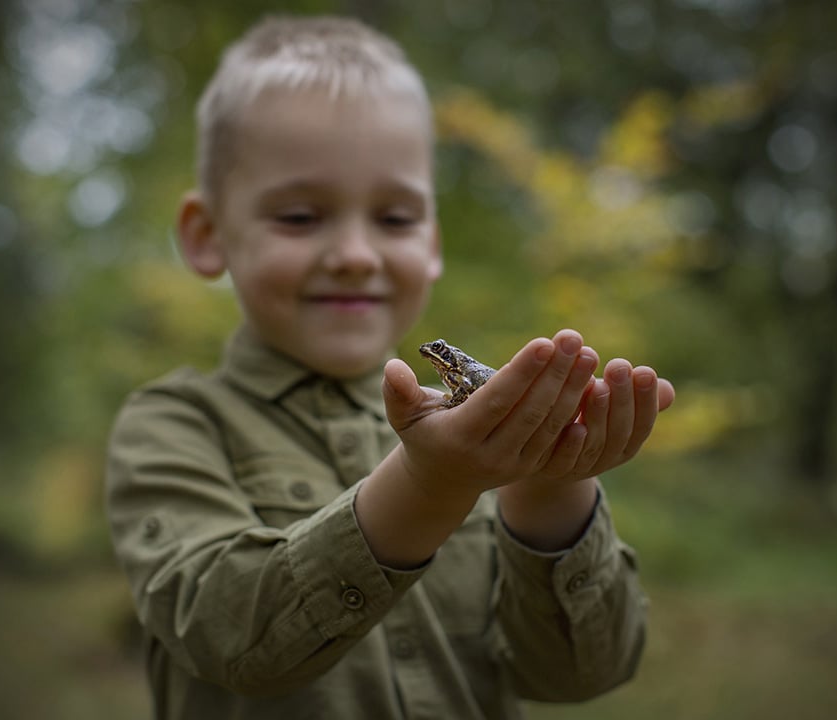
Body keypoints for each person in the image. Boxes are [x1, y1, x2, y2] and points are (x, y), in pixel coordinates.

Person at [106, 14, 675, 720]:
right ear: (207, 234)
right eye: (300, 216)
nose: (356, 254)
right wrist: (429, 486)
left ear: (432, 243)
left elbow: (579, 677)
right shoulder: (171, 424)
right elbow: (230, 639)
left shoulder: (477, 426)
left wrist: (550, 485)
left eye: (395, 218)